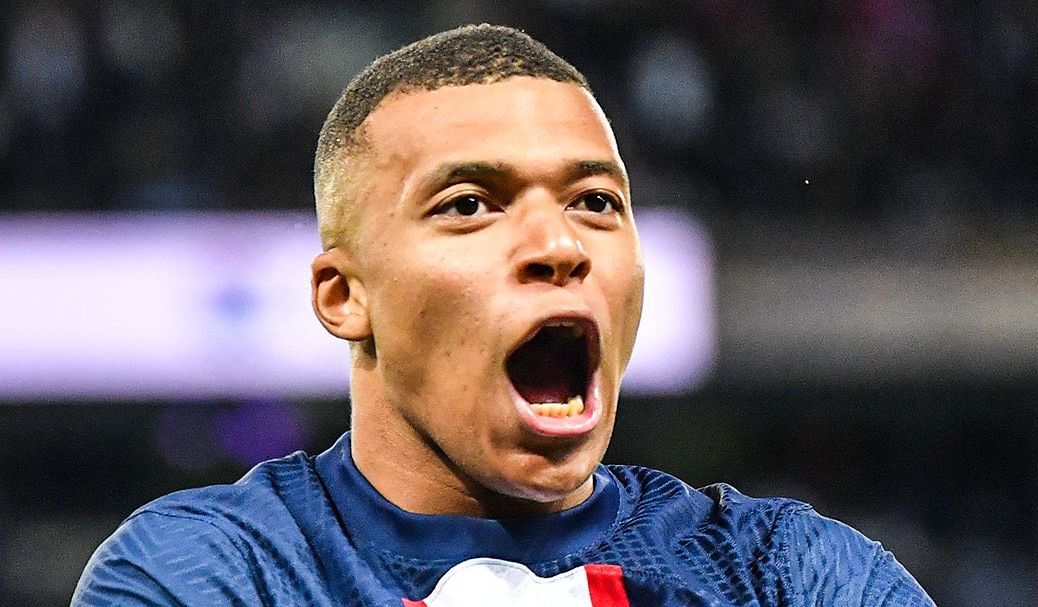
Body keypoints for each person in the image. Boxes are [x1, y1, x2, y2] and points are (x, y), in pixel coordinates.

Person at [73, 25, 934, 606]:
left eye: (596, 201)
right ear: (344, 295)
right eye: (469, 204)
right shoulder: (212, 572)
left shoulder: (783, 574)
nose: (559, 244)